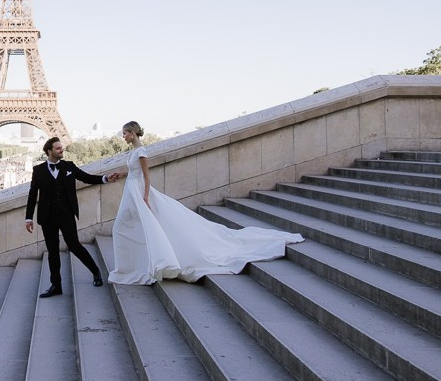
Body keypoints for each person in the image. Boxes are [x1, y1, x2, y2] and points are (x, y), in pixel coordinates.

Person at [108, 121, 304, 285]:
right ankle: (137, 265)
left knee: (126, 226)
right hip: (131, 189)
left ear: (133, 134)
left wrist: (145, 196)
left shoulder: (141, 152)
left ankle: (143, 265)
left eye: (125, 133)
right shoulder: (134, 152)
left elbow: (146, 175)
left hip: (138, 191)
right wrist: (121, 174)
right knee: (127, 226)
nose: (123, 136)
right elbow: (134, 171)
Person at [25, 136, 123, 298]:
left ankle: (96, 272)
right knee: (52, 251)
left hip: (66, 214)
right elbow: (32, 195)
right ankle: (56, 285)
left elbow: (87, 178)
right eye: (58, 148)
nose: (61, 150)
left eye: (61, 147)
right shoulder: (38, 170)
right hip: (47, 217)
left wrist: (105, 179)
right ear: (49, 151)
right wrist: (28, 217)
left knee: (75, 245)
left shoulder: (69, 167)